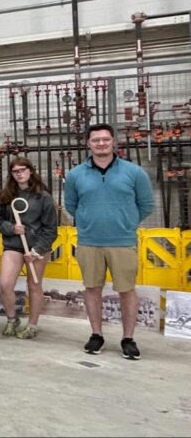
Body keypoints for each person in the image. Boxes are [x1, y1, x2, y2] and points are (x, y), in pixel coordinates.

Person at [65, 123, 153, 359]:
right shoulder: (75, 175)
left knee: (126, 290)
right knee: (92, 288)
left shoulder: (134, 172)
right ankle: (96, 335)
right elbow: (71, 205)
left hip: (122, 242)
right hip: (89, 241)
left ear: (114, 141)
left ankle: (128, 338)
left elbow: (146, 205)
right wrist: (87, 223)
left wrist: (125, 223)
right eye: (96, 140)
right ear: (88, 144)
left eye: (105, 139)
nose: (101, 143)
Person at [0, 157, 57, 340]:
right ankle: (12, 319)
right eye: (15, 171)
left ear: (30, 171)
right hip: (13, 245)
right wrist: (11, 228)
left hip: (36, 247)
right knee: (5, 284)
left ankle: (33, 325)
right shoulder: (5, 196)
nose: (19, 173)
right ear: (11, 174)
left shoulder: (43, 196)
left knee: (34, 285)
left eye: (23, 169)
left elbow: (51, 229)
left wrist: (37, 250)